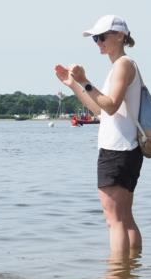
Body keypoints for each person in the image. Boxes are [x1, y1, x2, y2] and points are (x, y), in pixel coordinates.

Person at [55, 15, 144, 258]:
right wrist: (74, 85)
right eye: (95, 38)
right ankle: (131, 272)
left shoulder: (124, 64)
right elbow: (100, 110)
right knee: (124, 218)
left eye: (102, 37)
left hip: (117, 149)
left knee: (114, 220)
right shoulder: (121, 66)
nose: (98, 42)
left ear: (120, 36)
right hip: (127, 148)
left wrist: (85, 80)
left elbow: (111, 105)